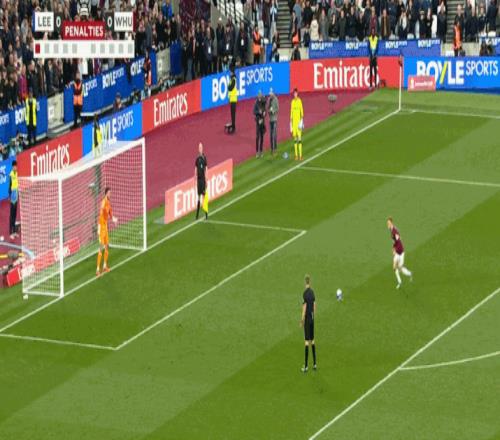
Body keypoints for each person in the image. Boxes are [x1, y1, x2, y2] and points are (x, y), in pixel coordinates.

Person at [96, 187, 117, 276]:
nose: (110, 194)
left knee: (107, 246)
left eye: (110, 193)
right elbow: (101, 213)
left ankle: (104, 266)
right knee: (101, 247)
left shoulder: (108, 203)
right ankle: (97, 269)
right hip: (102, 227)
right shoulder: (103, 202)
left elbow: (110, 214)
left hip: (105, 227)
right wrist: (99, 226)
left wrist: (113, 219)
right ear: (106, 193)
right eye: (109, 193)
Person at [387, 217, 412, 289]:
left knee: (400, 268)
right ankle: (399, 282)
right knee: (394, 267)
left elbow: (398, 240)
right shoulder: (391, 230)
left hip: (400, 251)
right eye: (387, 223)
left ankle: (410, 274)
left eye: (389, 223)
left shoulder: (394, 231)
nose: (387, 224)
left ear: (391, 223)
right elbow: (396, 240)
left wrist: (395, 249)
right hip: (397, 251)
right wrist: (393, 248)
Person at [300, 275, 317, 372]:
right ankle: (314, 364)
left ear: (305, 282)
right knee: (313, 340)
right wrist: (312, 316)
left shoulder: (305, 294)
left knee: (306, 342)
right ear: (310, 282)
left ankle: (306, 366)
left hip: (307, 319)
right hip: (312, 318)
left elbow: (304, 308)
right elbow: (314, 306)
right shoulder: (312, 292)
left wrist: (302, 320)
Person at [195, 142, 208, 220]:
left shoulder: (204, 158)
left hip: (203, 179)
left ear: (202, 149)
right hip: (198, 180)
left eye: (201, 147)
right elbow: (196, 168)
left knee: (204, 196)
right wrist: (195, 177)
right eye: (199, 147)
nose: (200, 149)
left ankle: (206, 214)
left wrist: (206, 179)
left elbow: (206, 168)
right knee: (199, 197)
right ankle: (197, 215)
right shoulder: (197, 158)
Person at [290, 88, 304, 161]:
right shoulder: (292, 102)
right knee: (295, 139)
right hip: (294, 123)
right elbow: (291, 111)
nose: (295, 94)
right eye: (294, 93)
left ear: (297, 93)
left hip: (298, 122)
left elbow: (302, 110)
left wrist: (301, 120)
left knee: (299, 139)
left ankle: (300, 155)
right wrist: (290, 123)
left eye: (296, 93)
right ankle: (296, 155)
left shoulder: (299, 101)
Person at [254, 91, 267, 158]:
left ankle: (261, 151)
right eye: (259, 96)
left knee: (262, 137)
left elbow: (265, 111)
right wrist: (258, 112)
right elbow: (254, 111)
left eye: (260, 96)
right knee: (257, 137)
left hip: (262, 121)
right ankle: (257, 152)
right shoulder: (256, 103)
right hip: (258, 121)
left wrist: (264, 113)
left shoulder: (263, 103)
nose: (260, 97)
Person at [8, 161, 18, 240]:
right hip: (12, 196)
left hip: (16, 194)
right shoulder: (11, 174)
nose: (15, 167)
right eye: (14, 166)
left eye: (16, 166)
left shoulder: (17, 173)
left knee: (15, 214)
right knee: (11, 215)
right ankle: (10, 232)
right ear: (12, 167)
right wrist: (10, 196)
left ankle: (14, 231)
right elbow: (9, 186)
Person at [267, 89, 279, 156]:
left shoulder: (276, 99)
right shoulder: (269, 100)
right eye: (270, 94)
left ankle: (274, 149)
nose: (270, 95)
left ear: (273, 93)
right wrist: (269, 110)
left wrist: (273, 111)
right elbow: (267, 107)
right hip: (270, 119)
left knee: (273, 134)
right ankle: (272, 149)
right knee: (271, 135)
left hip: (274, 119)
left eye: (271, 94)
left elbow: (277, 108)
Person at [228, 65, 238, 134]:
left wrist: (228, 86)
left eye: (230, 72)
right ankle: (233, 125)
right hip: (232, 98)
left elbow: (230, 88)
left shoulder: (233, 79)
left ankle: (233, 127)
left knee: (233, 114)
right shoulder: (232, 79)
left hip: (233, 98)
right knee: (232, 113)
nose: (229, 73)